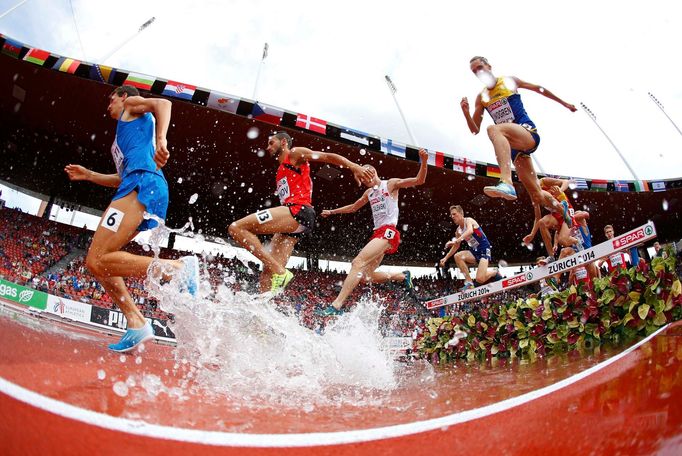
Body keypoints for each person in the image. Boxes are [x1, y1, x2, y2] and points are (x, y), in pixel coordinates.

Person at [64, 85, 199, 353]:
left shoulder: (131, 106)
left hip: (143, 182)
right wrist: (89, 175)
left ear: (123, 96)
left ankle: (177, 269)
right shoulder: (123, 137)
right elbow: (120, 177)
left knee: (97, 258)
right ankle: (135, 321)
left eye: (110, 99)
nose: (108, 106)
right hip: (137, 183)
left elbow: (163, 104)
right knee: (100, 262)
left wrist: (162, 140)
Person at [229, 131, 372, 294]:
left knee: (236, 228)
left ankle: (281, 272)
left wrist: (353, 166)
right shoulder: (280, 170)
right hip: (294, 224)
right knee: (266, 276)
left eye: (271, 143)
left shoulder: (295, 154)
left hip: (298, 211)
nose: (267, 147)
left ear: (283, 142)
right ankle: (264, 311)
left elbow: (326, 156)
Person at [314, 149, 428, 316]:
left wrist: (424, 161)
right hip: (377, 234)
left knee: (357, 262)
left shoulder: (390, 184)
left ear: (372, 172)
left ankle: (336, 306)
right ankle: (402, 276)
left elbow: (419, 180)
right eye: (360, 178)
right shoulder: (369, 193)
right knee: (366, 277)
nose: (362, 180)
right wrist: (332, 212)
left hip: (388, 232)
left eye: (363, 176)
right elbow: (353, 207)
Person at [461, 56, 577, 210]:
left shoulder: (509, 81)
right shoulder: (482, 97)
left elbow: (539, 89)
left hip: (526, 131)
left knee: (493, 129)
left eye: (480, 67)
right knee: (537, 195)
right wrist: (466, 113)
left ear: (489, 66)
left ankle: (506, 182)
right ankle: (563, 210)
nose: (478, 72)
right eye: (474, 71)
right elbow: (475, 130)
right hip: (513, 146)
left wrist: (565, 103)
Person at [439, 205, 502, 291]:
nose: (452, 217)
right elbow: (456, 246)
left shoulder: (469, 220)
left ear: (461, 214)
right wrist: (445, 258)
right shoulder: (458, 231)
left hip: (484, 249)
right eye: (451, 215)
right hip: (474, 251)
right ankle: (469, 282)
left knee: (480, 279)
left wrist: (456, 240)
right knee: (457, 256)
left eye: (454, 214)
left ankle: (494, 272)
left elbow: (470, 231)